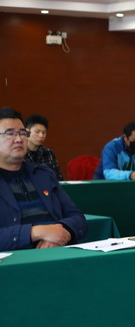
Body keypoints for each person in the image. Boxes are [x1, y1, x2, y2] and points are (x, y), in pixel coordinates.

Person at [0, 107, 86, 250]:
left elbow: (77, 217)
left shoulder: (43, 174)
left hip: (57, 250)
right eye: (10, 134)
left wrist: (59, 235)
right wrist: (35, 232)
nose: (19, 139)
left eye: (23, 133)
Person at [23, 114, 62, 181]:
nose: (41, 135)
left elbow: (58, 179)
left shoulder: (49, 153)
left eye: (44, 132)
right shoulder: (19, 152)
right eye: (37, 132)